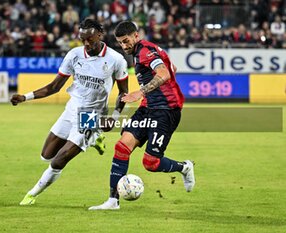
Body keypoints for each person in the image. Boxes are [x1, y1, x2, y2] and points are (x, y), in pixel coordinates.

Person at [10, 19, 129, 205]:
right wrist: (25, 97)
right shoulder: (74, 55)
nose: (86, 44)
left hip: (91, 115)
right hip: (71, 109)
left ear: (99, 35)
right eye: (83, 40)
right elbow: (54, 87)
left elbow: (123, 92)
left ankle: (32, 194)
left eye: (90, 39)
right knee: (46, 155)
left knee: (59, 159)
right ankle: (94, 139)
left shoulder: (116, 60)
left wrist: (114, 116)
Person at [89, 21, 195, 210]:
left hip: (165, 110)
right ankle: (113, 200)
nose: (124, 46)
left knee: (151, 162)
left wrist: (141, 92)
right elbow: (172, 69)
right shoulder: (143, 51)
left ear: (136, 35)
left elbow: (164, 74)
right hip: (148, 108)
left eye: (127, 41)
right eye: (120, 43)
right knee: (121, 147)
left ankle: (184, 167)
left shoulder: (145, 51)